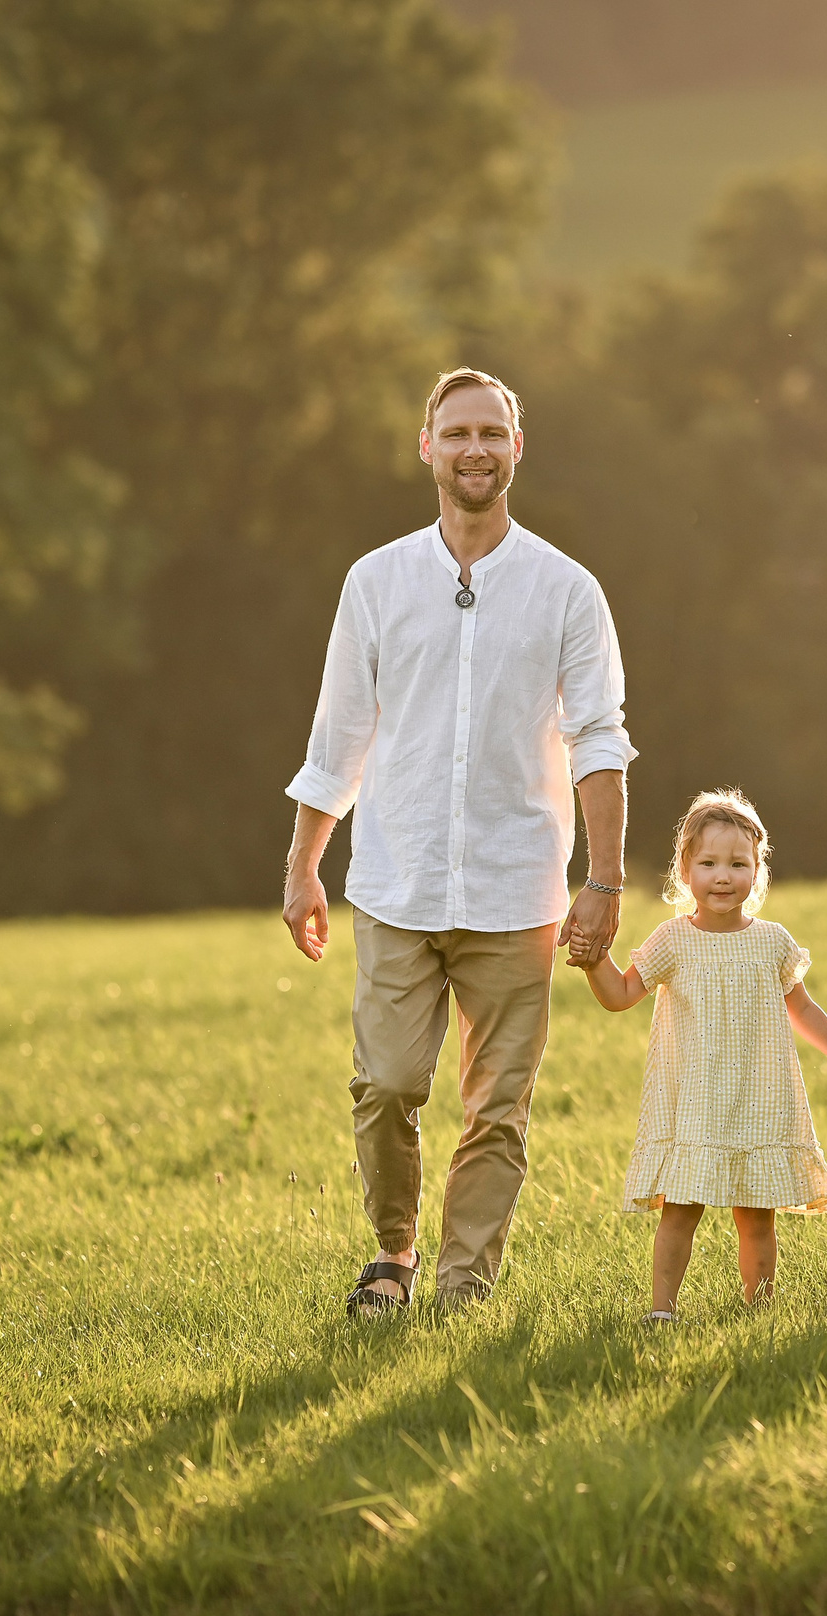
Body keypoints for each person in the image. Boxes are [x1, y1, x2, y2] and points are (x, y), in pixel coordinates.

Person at [281, 367, 634, 1317]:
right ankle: (395, 1248)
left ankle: (462, 1286)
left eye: (492, 432)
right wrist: (304, 862)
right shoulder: (377, 580)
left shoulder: (567, 589)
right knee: (387, 1084)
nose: (475, 448)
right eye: (458, 432)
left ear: (518, 449)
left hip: (519, 891)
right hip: (396, 882)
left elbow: (599, 738)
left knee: (497, 1111)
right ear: (426, 447)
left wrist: (603, 879)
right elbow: (339, 734)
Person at [577, 790, 827, 1323]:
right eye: (708, 863)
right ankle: (662, 1310)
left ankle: (759, 1309)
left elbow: (803, 1008)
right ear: (685, 870)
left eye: (737, 864)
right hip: (696, 1101)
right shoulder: (673, 940)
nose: (723, 876)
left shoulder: (772, 942)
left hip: (758, 1096)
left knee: (757, 1217)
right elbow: (620, 996)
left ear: (757, 871)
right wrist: (595, 962)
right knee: (681, 1212)